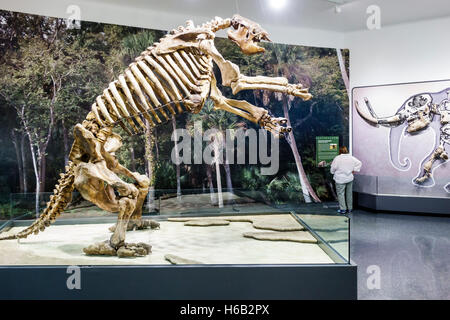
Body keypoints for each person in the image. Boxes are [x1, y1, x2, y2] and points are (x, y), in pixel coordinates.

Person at [330, 146, 362, 214]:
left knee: (341, 194)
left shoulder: (337, 158)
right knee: (349, 194)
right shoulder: (351, 158)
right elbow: (359, 163)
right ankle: (350, 208)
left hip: (340, 179)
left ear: (340, 151)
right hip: (349, 178)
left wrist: (332, 172)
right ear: (346, 150)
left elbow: (333, 167)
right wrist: (354, 170)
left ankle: (343, 209)